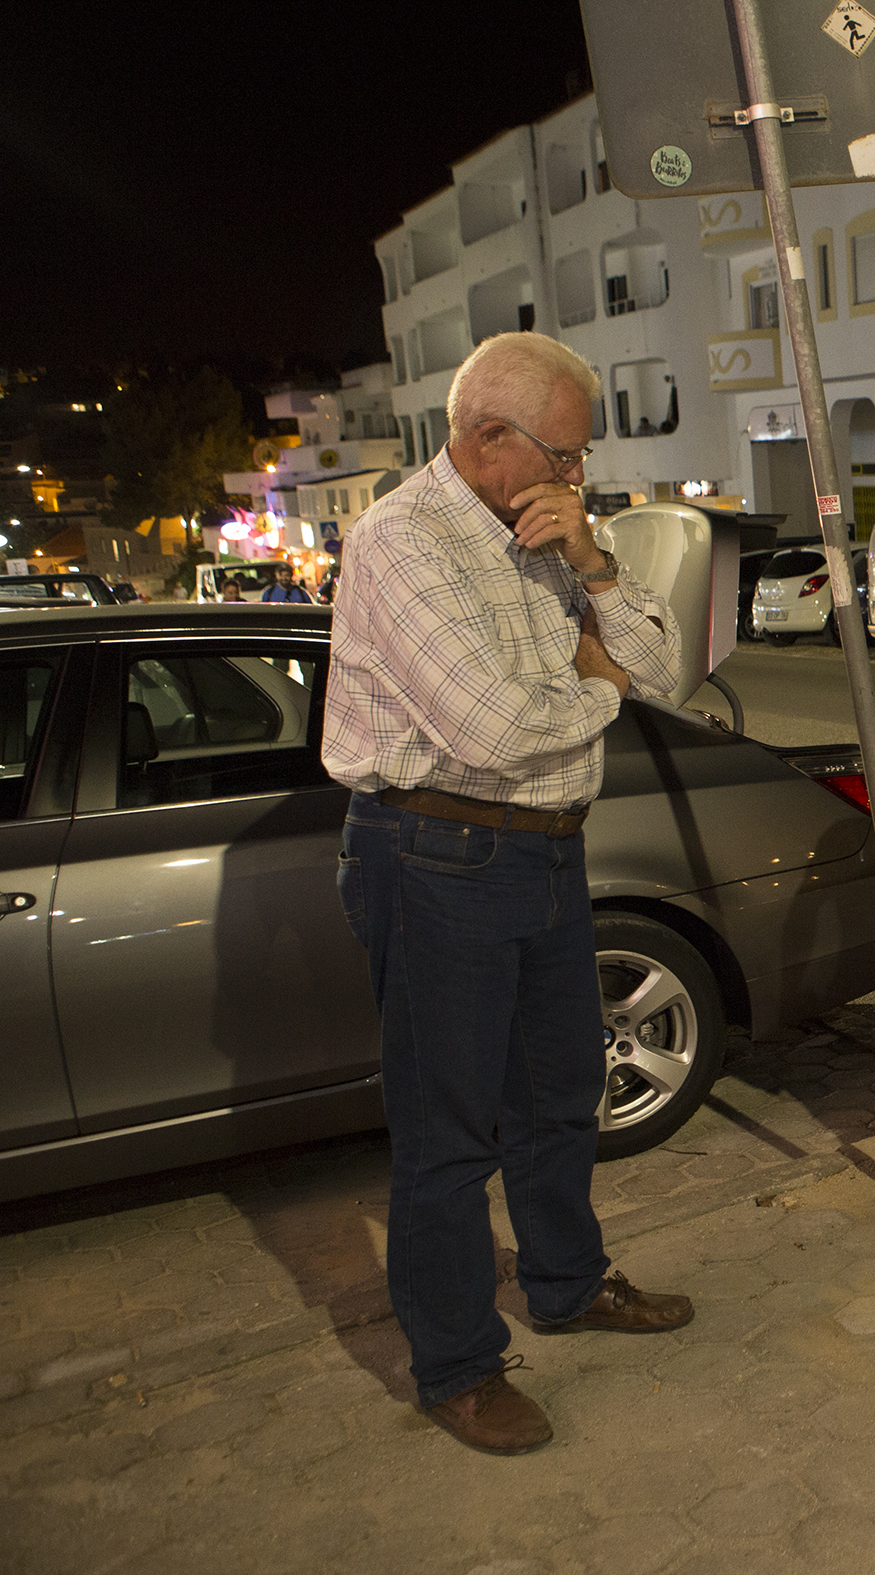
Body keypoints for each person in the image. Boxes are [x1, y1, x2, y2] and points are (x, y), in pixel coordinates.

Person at [323, 332, 692, 1456]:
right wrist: (600, 688)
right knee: (447, 1132)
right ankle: (457, 1367)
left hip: (546, 847)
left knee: (558, 1089)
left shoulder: (551, 530)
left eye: (581, 462)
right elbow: (488, 733)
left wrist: (595, 573)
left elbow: (667, 670)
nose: (576, 480)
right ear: (488, 438)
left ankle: (568, 1283)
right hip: (436, 851)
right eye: (564, 456)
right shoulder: (403, 542)